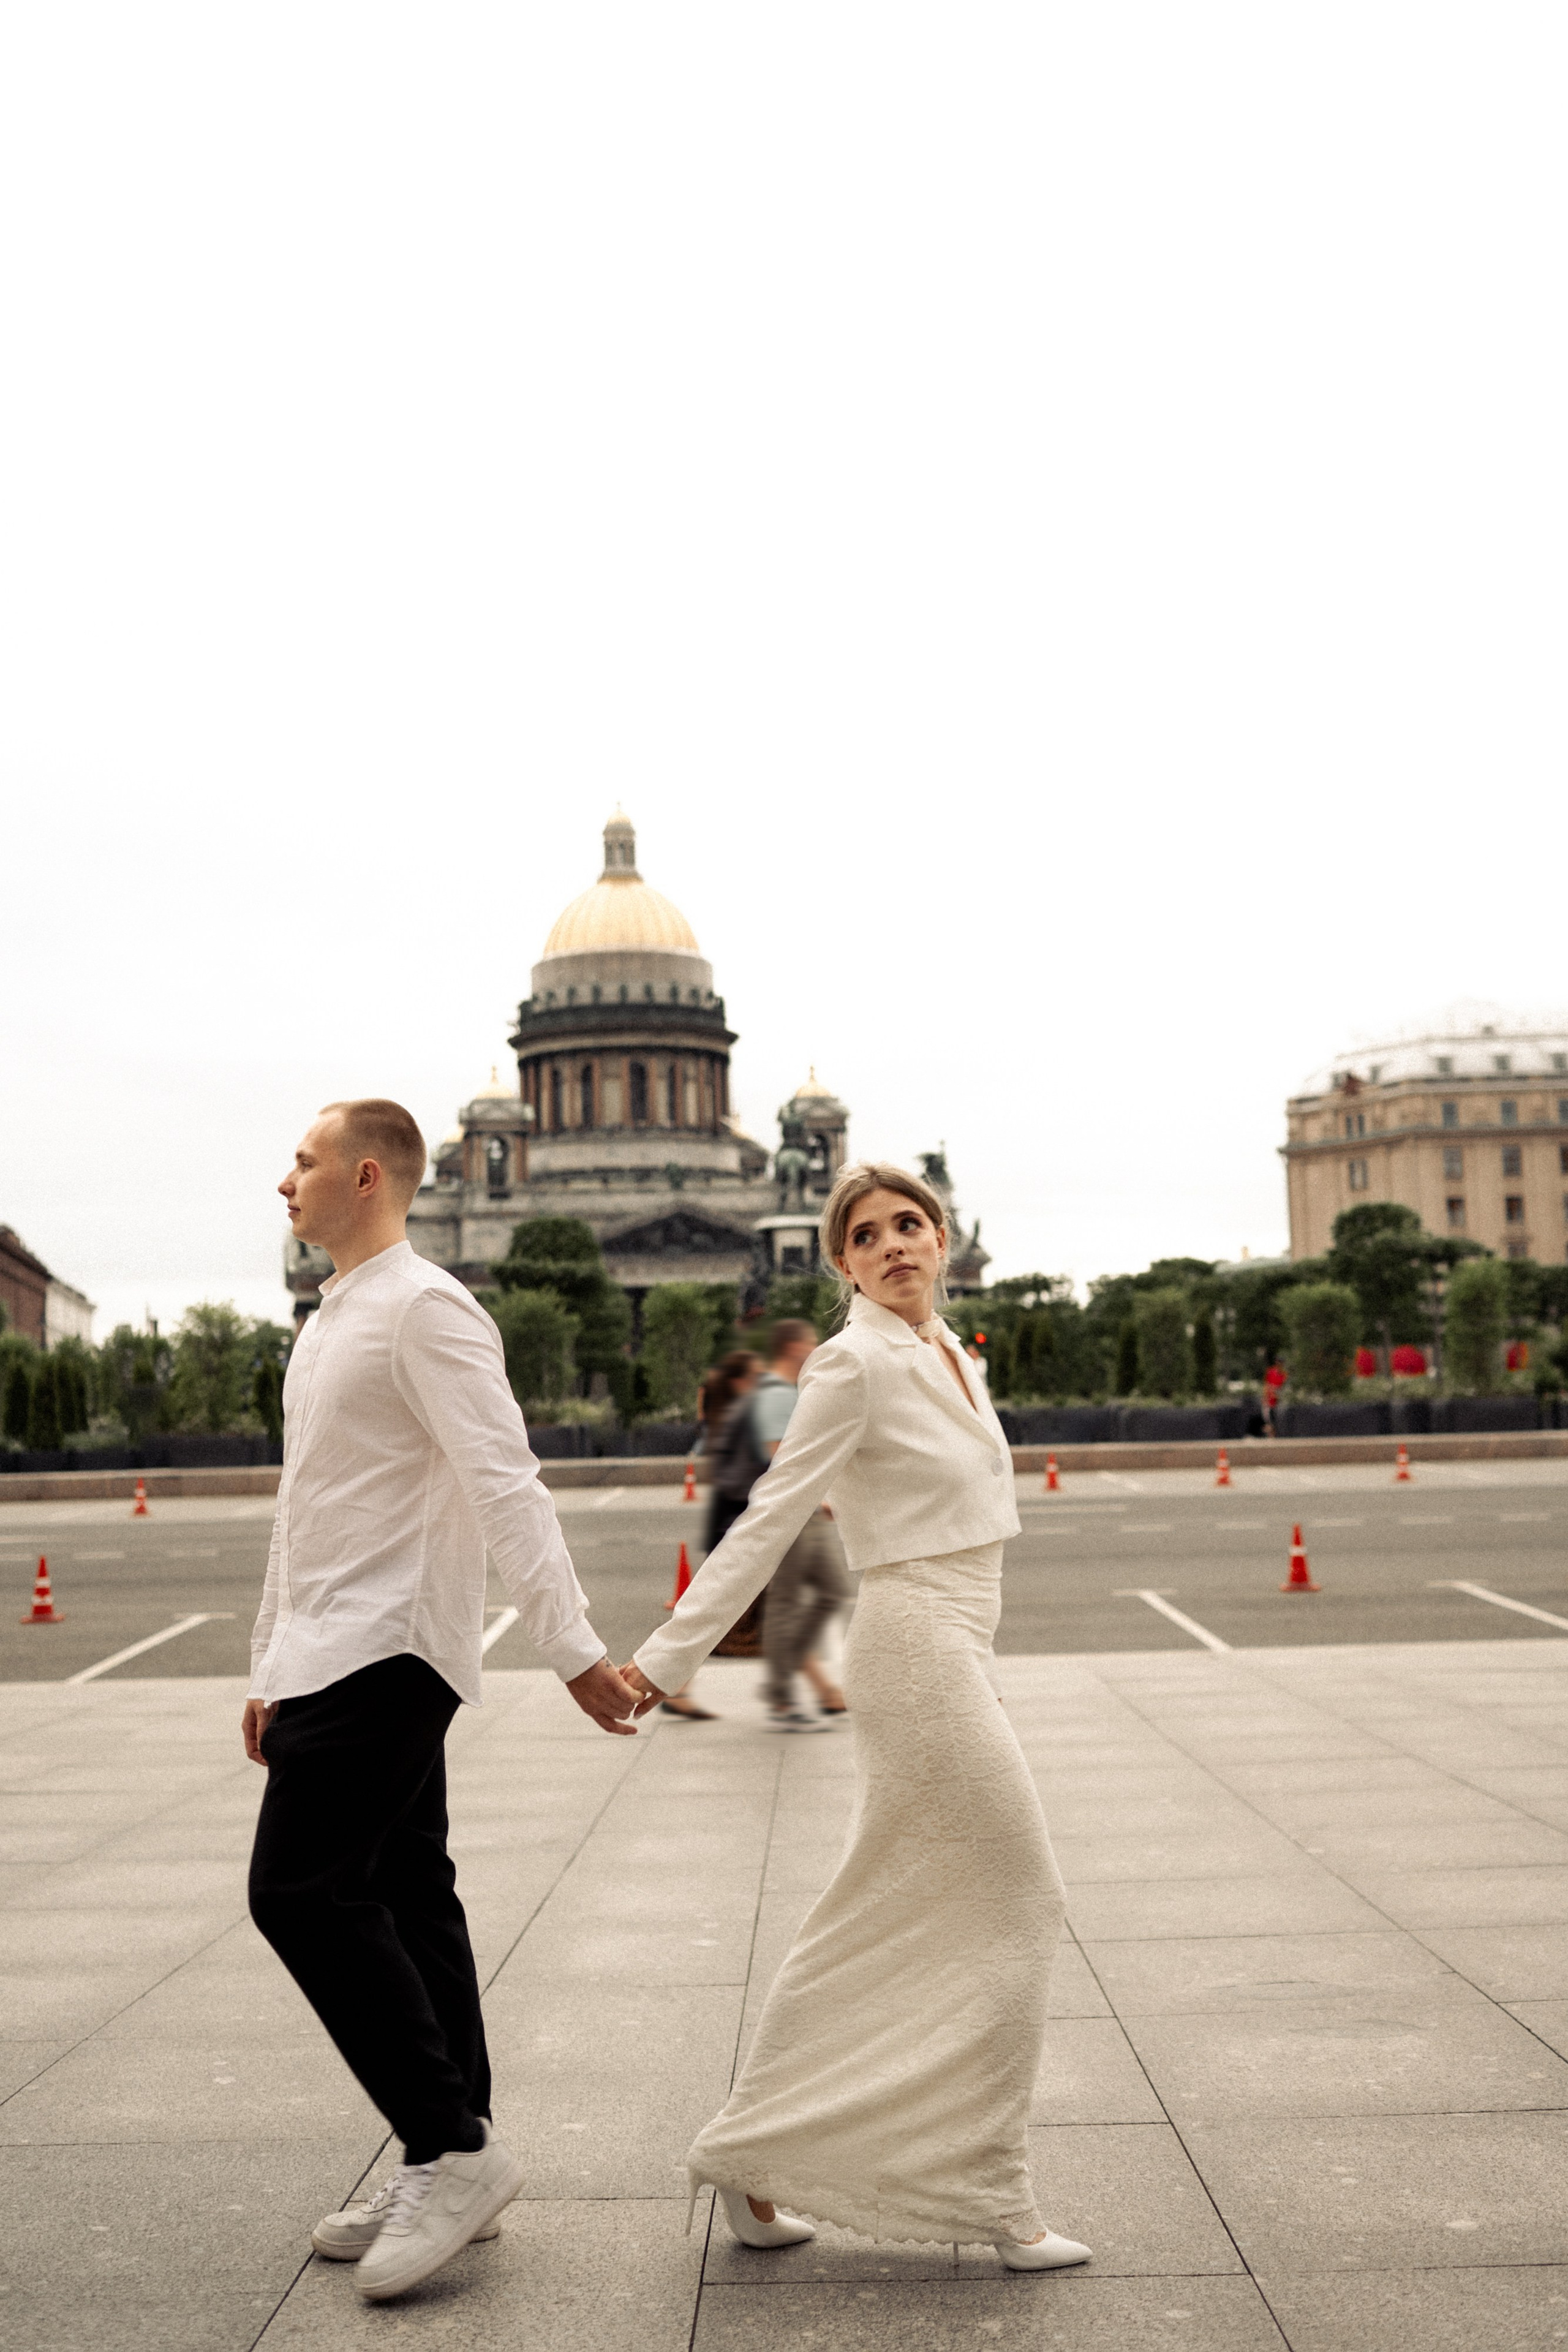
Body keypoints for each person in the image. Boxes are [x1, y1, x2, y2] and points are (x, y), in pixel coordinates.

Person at [619, 1163, 1091, 2272]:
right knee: (1023, 1894)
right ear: (841, 1263)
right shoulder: (852, 1360)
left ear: (941, 1236)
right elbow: (770, 1517)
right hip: (915, 1644)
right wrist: (665, 1658)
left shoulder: (949, 1352)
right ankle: (991, 2194)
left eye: (910, 1225)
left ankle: (754, 2154)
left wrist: (979, 1667)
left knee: (876, 1902)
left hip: (955, 1647)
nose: (894, 1246)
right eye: (867, 1236)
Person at [244, 1099, 637, 2304]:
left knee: (298, 1892)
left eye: (302, 1162)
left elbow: (505, 1482)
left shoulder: (427, 1308)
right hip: (330, 1644)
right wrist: (267, 1664)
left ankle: (450, 2151)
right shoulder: (331, 1321)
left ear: (368, 1176)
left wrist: (570, 1646)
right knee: (411, 1894)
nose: (284, 1182)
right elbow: (302, 1509)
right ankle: (451, 2140)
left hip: (393, 1646)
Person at [752, 1319, 850, 1729]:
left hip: (807, 1511)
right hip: (791, 1514)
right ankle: (780, 1690)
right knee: (788, 1604)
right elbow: (781, 1458)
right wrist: (820, 1497)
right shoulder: (773, 1395)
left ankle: (793, 1670)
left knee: (832, 1593)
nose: (814, 1349)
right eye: (809, 1344)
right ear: (793, 1348)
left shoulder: (788, 1392)